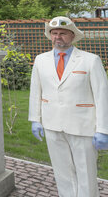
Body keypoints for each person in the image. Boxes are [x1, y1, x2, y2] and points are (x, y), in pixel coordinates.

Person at [29, 16, 108, 196]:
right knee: (62, 172)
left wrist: (103, 129)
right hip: (52, 125)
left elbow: (102, 96)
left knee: (86, 173)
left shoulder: (91, 60)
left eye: (63, 33)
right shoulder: (40, 60)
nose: (58, 37)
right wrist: (35, 119)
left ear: (72, 36)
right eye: (54, 33)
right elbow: (36, 92)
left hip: (83, 127)